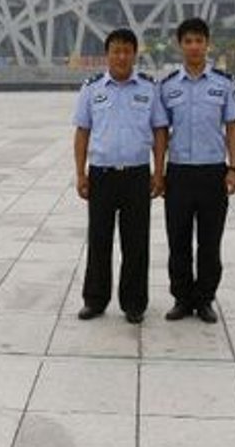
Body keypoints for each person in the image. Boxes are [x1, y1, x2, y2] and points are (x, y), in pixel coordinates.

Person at [72, 28, 167, 324]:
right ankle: (95, 300)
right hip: (101, 175)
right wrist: (80, 173)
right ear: (108, 54)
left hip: (137, 176)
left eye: (127, 50)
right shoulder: (92, 88)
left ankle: (134, 304)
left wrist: (159, 172)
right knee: (99, 240)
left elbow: (160, 131)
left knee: (136, 243)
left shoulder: (149, 89)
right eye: (116, 50)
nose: (122, 56)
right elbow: (82, 132)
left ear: (134, 54)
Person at [159, 17, 235, 324]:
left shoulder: (223, 84)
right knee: (178, 240)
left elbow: (232, 128)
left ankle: (205, 299)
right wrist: (159, 173)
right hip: (179, 173)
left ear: (207, 44)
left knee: (210, 242)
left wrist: (233, 168)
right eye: (188, 41)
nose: (194, 46)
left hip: (212, 173)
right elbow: (160, 133)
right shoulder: (167, 87)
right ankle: (182, 299)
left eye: (199, 40)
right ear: (180, 45)